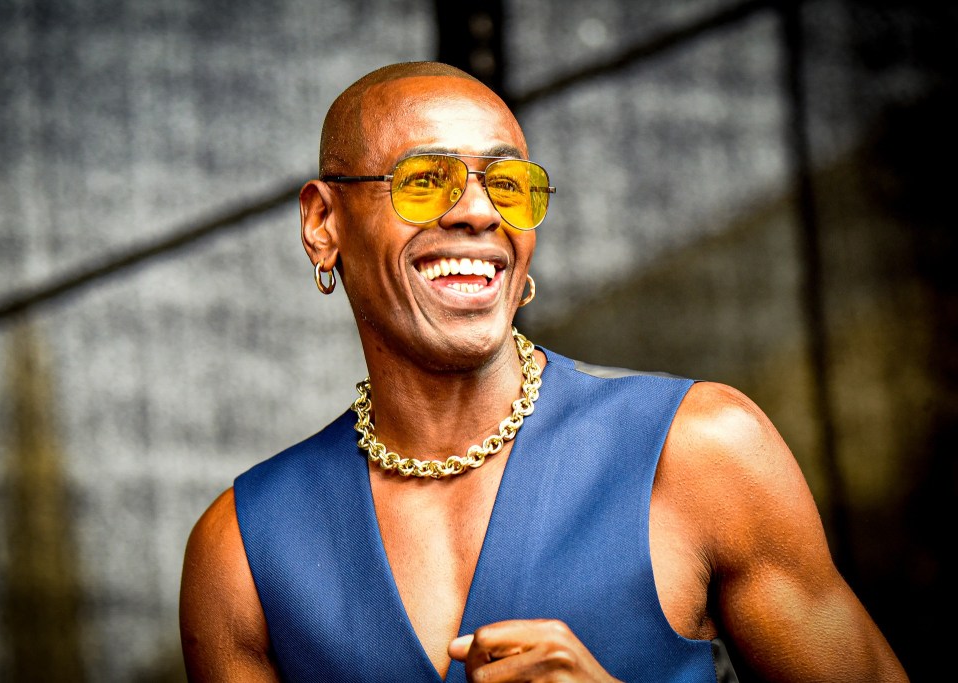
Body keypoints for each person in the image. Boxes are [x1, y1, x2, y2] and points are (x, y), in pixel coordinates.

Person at [179, 61, 907, 682]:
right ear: (323, 225)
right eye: (425, 179)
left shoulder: (700, 452)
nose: (477, 211)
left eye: (508, 183)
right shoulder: (242, 551)